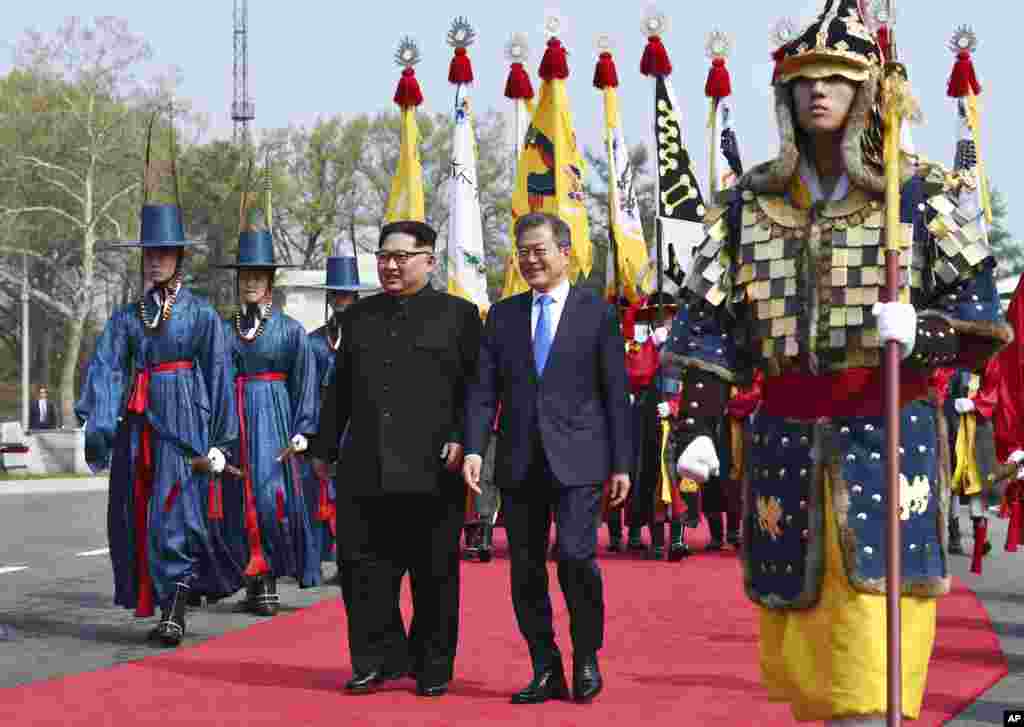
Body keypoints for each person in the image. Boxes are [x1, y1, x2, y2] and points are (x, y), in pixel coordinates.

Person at [664, 1, 1010, 723]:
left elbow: (984, 316)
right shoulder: (746, 205)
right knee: (804, 664)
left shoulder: (915, 192)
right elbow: (709, 327)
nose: (817, 91)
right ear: (785, 94)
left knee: (870, 659)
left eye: (836, 79)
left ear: (866, 93)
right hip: (785, 443)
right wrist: (694, 424)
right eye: (804, 80)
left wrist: (926, 329)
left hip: (883, 437)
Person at [75, 133, 238, 646]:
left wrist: (219, 440)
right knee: (138, 513)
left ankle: (175, 609)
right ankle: (159, 597)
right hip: (137, 428)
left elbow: (219, 375)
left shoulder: (203, 316)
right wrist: (100, 424)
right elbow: (105, 369)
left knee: (178, 511)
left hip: (183, 423)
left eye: (163, 252)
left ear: (178, 258)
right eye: (148, 252)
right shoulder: (126, 318)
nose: (154, 260)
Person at [463, 212, 632, 704]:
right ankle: (545, 665)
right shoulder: (503, 314)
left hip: (579, 459)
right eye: (523, 251)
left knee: (577, 559)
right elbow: (482, 390)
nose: (531, 259)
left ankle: (586, 657)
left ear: (565, 252)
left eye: (540, 250)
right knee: (525, 569)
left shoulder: (595, 312)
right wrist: (475, 448)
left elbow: (615, 392)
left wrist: (622, 463)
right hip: (518, 462)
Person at [310, 219, 482, 698]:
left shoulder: (459, 315)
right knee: (362, 573)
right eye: (384, 256)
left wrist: (465, 440)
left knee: (434, 577)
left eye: (401, 257)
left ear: (429, 259)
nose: (390, 265)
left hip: (433, 469)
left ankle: (433, 666)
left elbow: (476, 392)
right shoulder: (358, 319)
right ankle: (374, 660)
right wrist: (324, 448)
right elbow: (338, 392)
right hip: (365, 467)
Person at [216, 190, 321, 616]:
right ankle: (248, 579)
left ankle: (270, 575)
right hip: (234, 420)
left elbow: (305, 382)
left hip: (275, 421)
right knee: (237, 501)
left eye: (259, 276)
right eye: (245, 276)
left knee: (272, 499)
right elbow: (212, 379)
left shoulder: (292, 331)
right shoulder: (222, 330)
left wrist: (303, 428)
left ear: (270, 282)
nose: (252, 282)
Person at [304, 251, 377, 583]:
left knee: (354, 495)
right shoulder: (313, 341)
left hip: (358, 426)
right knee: (317, 492)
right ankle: (314, 560)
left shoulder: (369, 335)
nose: (341, 299)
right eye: (336, 293)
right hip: (323, 422)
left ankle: (352, 560)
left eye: (347, 293)